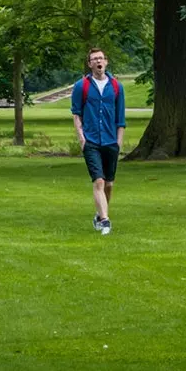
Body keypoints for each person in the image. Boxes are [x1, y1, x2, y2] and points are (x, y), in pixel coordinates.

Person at [71, 48, 126, 235]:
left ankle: (99, 214)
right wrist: (82, 139)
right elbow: (76, 114)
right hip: (91, 140)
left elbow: (121, 118)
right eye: (94, 59)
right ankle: (105, 221)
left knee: (109, 184)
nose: (98, 62)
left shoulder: (116, 86)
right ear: (89, 64)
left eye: (101, 58)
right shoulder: (82, 86)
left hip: (111, 141)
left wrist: (119, 142)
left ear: (106, 62)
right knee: (99, 181)